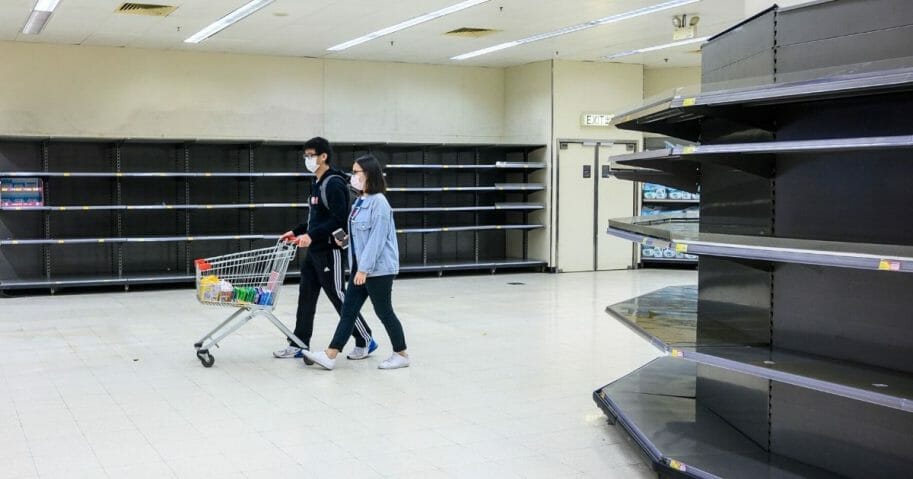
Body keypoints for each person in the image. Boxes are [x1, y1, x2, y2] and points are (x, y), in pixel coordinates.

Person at [301, 154, 409, 370]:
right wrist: (343, 242)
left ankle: (401, 354)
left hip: (377, 270)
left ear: (369, 174)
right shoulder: (361, 200)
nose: (352, 176)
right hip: (362, 268)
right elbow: (359, 236)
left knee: (384, 311)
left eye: (356, 171)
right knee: (348, 311)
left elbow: (377, 240)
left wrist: (364, 269)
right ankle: (330, 355)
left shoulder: (379, 202)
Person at [274, 137, 377, 362]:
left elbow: (338, 219)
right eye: (305, 156)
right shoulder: (317, 182)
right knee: (306, 296)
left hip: (330, 250)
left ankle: (365, 338)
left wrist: (310, 236)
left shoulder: (333, 183)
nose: (308, 159)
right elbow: (316, 219)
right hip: (314, 251)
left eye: (311, 155)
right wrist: (296, 231)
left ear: (324, 157)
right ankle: (299, 343)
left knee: (339, 295)